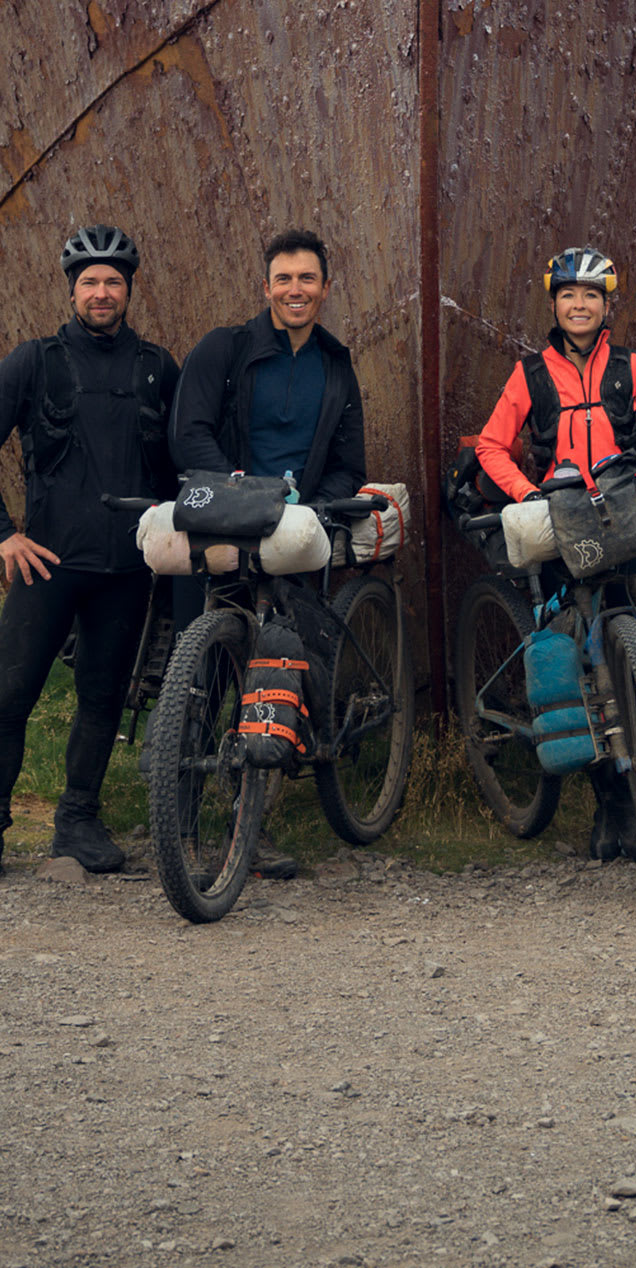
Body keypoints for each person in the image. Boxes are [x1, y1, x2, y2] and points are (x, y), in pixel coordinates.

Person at [0, 223, 180, 882]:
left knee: (103, 699)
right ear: (72, 290)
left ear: (127, 290)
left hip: (126, 571)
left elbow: (182, 456)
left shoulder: (156, 367)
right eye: (90, 283)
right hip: (46, 564)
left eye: (112, 282)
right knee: (10, 696)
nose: (101, 293)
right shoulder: (35, 361)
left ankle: (77, 820)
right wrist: (2, 535)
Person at [475, 244, 636, 864]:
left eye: (590, 296)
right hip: (566, 525)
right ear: (554, 304)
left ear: (606, 306)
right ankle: (612, 805)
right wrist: (530, 495)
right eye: (568, 295)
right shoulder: (531, 373)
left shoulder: (631, 366)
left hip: (629, 514)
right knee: (575, 660)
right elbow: (493, 445)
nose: (579, 305)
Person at [168, 227, 369, 879]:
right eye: (283, 279)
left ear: (325, 288)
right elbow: (188, 432)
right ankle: (191, 825)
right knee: (202, 682)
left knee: (278, 674)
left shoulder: (336, 365)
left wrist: (311, 511)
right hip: (225, 527)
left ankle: (253, 824)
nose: (294, 290)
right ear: (266, 287)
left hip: (292, 535)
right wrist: (234, 487)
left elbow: (348, 464)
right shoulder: (224, 350)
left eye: (306, 279)